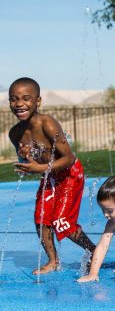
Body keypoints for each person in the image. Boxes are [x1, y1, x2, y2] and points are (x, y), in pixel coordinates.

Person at [8, 77, 96, 275]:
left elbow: (69, 158)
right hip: (50, 176)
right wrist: (25, 159)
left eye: (26, 98)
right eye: (14, 99)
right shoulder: (15, 134)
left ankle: (94, 250)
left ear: (37, 101)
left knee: (61, 221)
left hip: (70, 173)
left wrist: (39, 169)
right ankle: (53, 260)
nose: (19, 104)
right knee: (41, 219)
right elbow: (28, 161)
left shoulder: (47, 124)